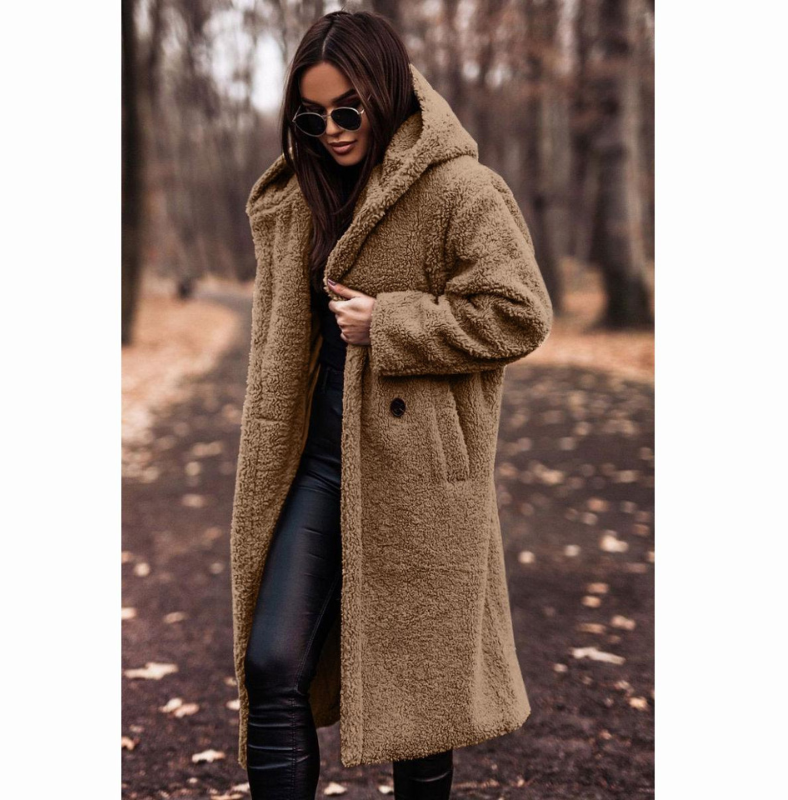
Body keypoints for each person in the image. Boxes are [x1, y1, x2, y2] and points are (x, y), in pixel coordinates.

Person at [231, 10, 554, 800]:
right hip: (316, 465)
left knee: (423, 703)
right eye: (312, 118)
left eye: (348, 112)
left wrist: (393, 322)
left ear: (385, 92)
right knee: (272, 663)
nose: (332, 132)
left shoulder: (460, 189)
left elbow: (520, 313)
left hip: (419, 476)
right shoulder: (297, 197)